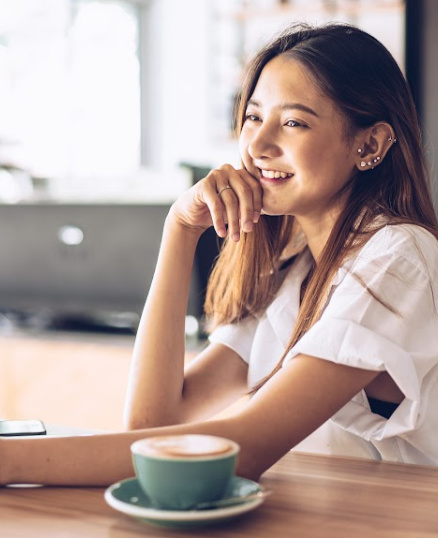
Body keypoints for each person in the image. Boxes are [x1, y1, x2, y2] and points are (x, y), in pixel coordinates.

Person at [1, 22, 438, 487]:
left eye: (293, 122)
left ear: (368, 144)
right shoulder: (295, 271)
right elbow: (155, 424)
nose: (258, 146)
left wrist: (11, 463)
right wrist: (179, 228)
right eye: (253, 117)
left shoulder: (400, 257)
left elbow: (243, 448)